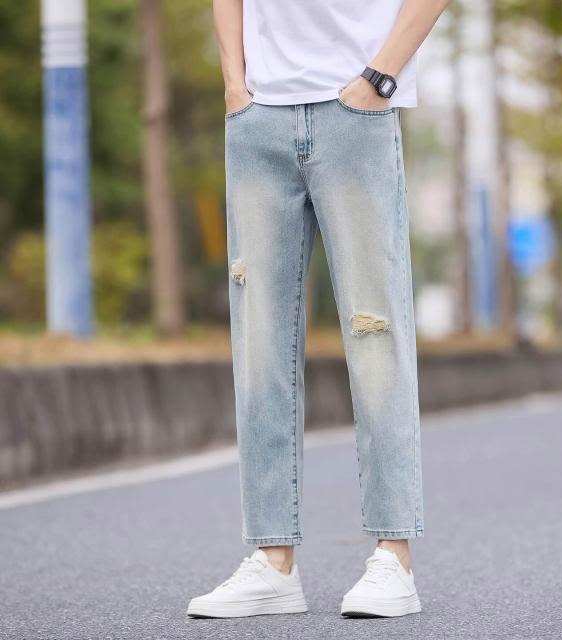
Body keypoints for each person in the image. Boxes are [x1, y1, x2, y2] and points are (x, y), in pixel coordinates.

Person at [187, 0, 449, 619]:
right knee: (259, 344)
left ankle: (394, 556)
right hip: (258, 119)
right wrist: (235, 84)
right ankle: (271, 561)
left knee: (375, 334)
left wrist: (379, 77)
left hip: (354, 110)